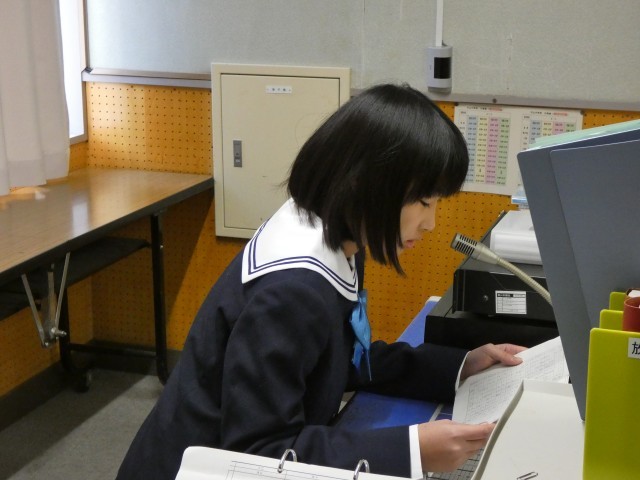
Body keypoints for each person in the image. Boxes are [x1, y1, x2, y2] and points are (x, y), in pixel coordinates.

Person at [116, 83, 524, 480]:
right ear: (365, 183)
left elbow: (340, 359)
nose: (430, 222)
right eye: (423, 201)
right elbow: (260, 452)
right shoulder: (293, 291)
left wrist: (459, 367)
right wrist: (410, 450)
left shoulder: (337, 236)